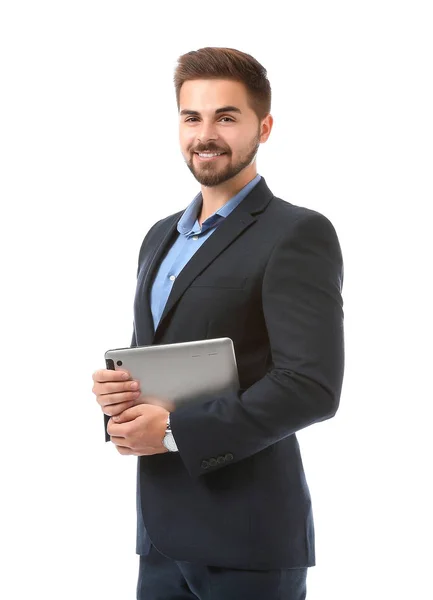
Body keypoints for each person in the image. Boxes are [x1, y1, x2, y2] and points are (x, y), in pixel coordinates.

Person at [92, 46, 345, 600]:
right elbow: (155, 363)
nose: (205, 134)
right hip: (159, 540)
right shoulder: (160, 237)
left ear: (265, 126)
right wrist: (118, 402)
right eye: (192, 117)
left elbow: (311, 386)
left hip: (248, 543)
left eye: (226, 117)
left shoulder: (296, 234)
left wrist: (176, 431)